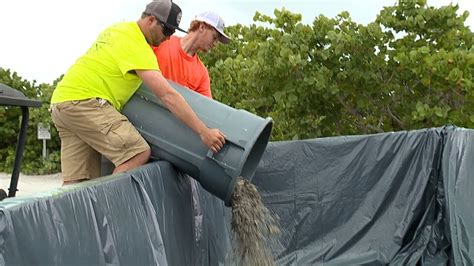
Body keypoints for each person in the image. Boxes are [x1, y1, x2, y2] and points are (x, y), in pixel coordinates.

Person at [50, 0, 226, 186]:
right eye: (167, 31)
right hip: (86, 102)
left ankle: (64, 216)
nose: (168, 37)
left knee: (77, 182)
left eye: (173, 32)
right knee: (137, 152)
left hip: (62, 102)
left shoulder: (117, 29)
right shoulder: (139, 46)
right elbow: (167, 95)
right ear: (151, 20)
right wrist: (203, 132)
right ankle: (111, 210)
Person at [152, 11, 231, 98]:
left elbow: (205, 108)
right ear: (202, 27)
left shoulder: (202, 74)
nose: (215, 44)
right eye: (214, 37)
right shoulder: (162, 41)